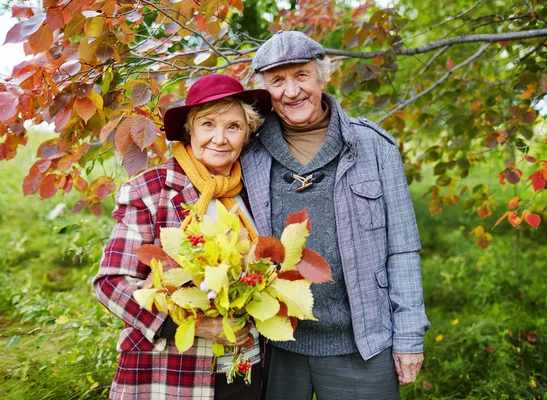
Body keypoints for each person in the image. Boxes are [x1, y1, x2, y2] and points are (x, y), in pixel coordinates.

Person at [240, 31, 430, 399]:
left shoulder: (374, 147)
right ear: (265, 88)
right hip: (277, 346)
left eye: (301, 76)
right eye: (277, 80)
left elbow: (403, 249)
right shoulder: (250, 154)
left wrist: (408, 336)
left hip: (363, 343)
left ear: (323, 76)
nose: (291, 91)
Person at [93, 74, 271, 400]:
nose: (220, 138)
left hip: (249, 369)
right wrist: (187, 325)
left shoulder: (257, 192)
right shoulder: (152, 189)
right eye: (208, 125)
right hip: (173, 373)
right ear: (189, 129)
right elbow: (110, 284)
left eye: (233, 126)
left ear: (248, 133)